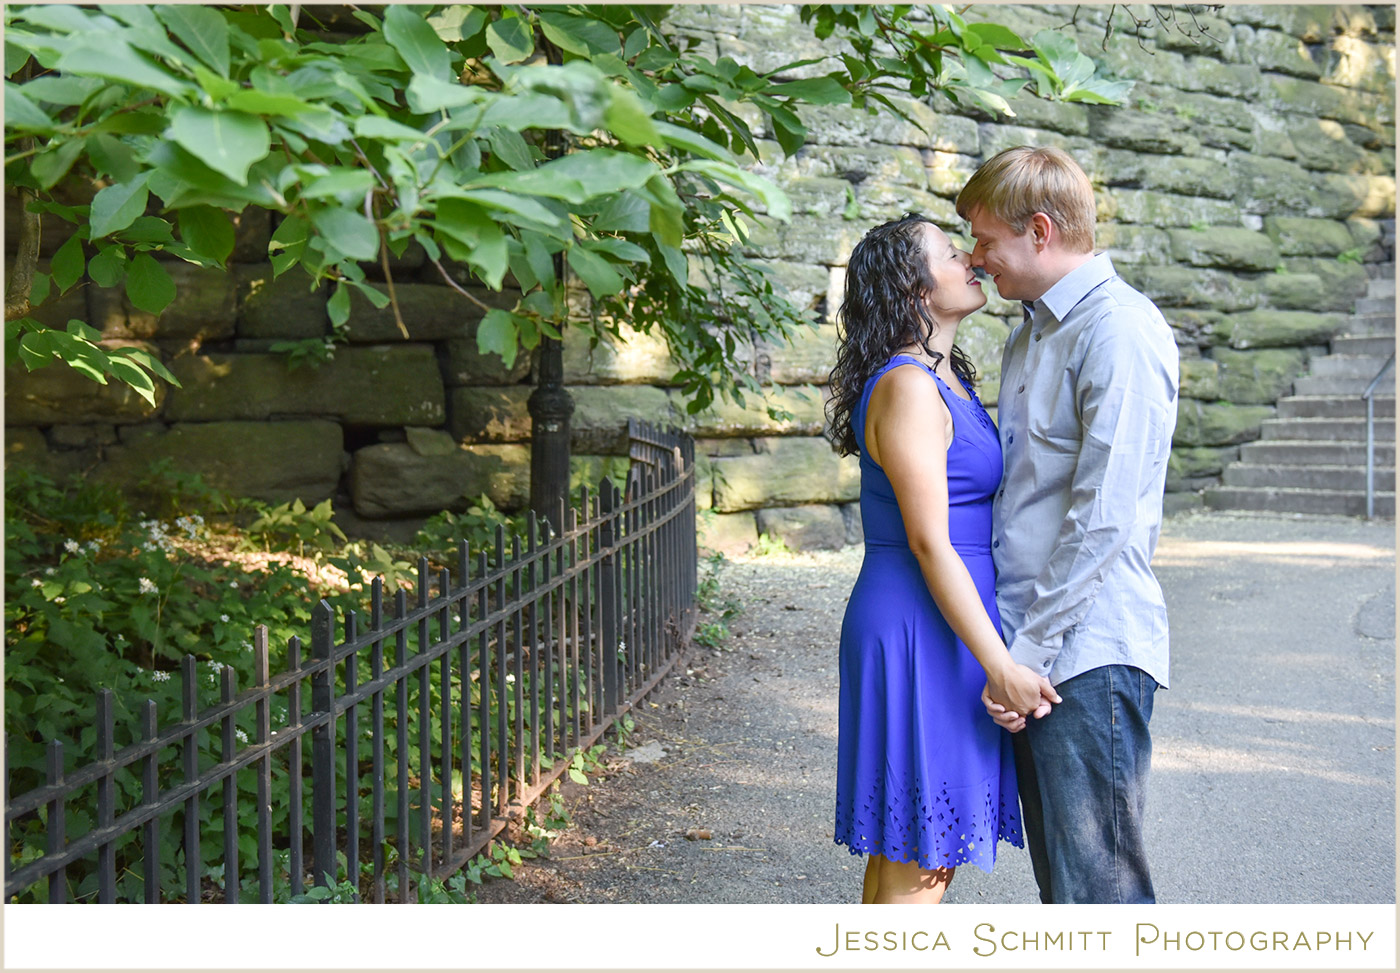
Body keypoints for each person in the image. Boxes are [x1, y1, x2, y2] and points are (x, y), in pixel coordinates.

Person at [955, 146, 1179, 904]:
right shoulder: (1030, 332)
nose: (975, 259)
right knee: (1066, 895)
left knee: (1101, 895)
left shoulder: (1117, 332)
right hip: (1035, 653)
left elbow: (1103, 518)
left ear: (1040, 231)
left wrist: (1027, 657)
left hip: (1082, 655)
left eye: (985, 241)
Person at [827, 213, 1060, 904]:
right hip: (918, 627)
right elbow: (930, 540)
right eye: (952, 253)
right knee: (923, 860)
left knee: (915, 858)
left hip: (950, 621)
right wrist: (1002, 667)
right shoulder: (908, 386)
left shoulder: (946, 376)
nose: (972, 261)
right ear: (913, 288)